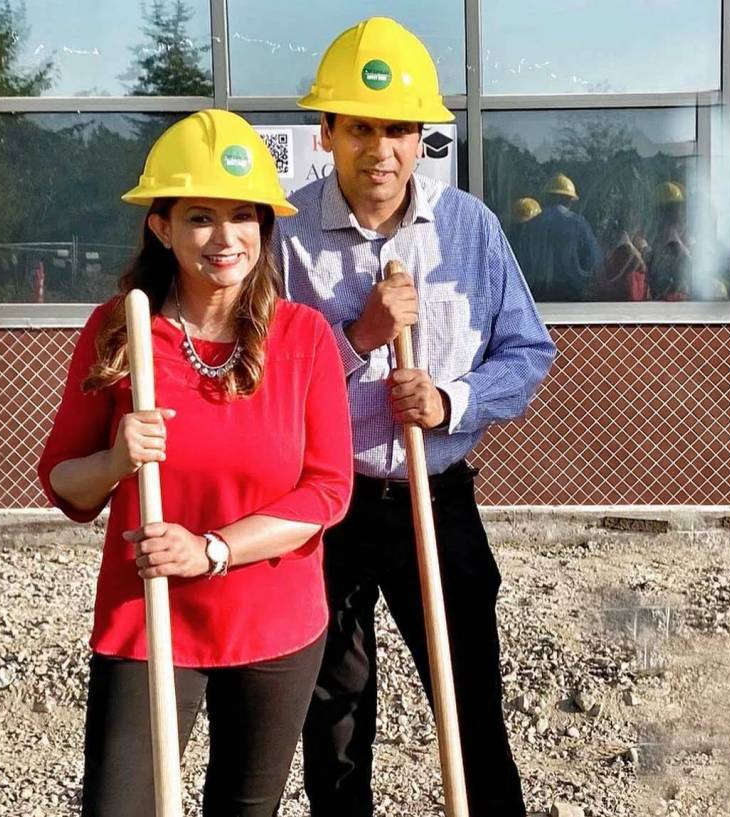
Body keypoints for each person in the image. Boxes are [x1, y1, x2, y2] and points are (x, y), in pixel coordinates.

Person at [272, 17, 556, 817]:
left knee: (471, 710)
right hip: (327, 504)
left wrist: (449, 401)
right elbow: (265, 381)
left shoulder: (469, 229)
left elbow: (528, 352)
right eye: (359, 128)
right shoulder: (284, 239)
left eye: (399, 128)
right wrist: (358, 339)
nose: (380, 149)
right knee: (334, 717)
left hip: (441, 493)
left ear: (422, 136)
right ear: (326, 133)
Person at [37, 108, 354, 817]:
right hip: (148, 622)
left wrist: (210, 550)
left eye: (243, 215)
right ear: (162, 226)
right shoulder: (121, 330)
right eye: (200, 216)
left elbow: (327, 493)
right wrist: (117, 458)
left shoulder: (302, 338)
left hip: (272, 622)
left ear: (265, 226)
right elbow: (64, 483)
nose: (225, 238)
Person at [517, 172, 602, 300]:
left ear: (547, 197)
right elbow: (595, 260)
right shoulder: (578, 223)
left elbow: (521, 261)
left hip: (536, 292)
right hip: (571, 292)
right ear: (569, 200)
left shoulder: (531, 225)